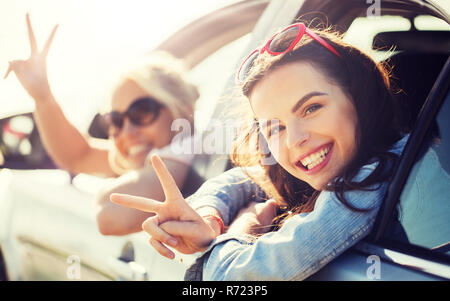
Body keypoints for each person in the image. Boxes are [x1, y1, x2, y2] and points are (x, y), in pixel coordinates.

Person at [109, 22, 409, 280]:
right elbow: (245, 179)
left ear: (360, 97)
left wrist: (237, 232)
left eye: (311, 108)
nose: (294, 140)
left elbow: (233, 277)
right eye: (275, 128)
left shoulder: (373, 178)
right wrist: (208, 217)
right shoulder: (342, 163)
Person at [4, 14, 200, 236]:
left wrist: (107, 190)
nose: (127, 132)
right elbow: (78, 155)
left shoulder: (184, 150)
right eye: (116, 121)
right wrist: (42, 96)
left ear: (181, 110)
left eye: (142, 112)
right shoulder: (157, 151)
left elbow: (112, 215)